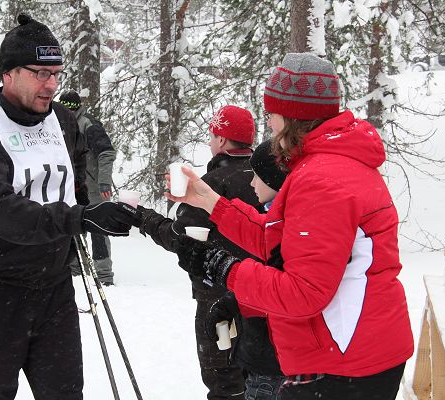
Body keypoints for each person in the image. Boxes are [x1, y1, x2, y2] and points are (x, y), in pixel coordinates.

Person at [168, 53, 414, 400]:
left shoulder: (323, 179)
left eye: (271, 114)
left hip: (344, 364)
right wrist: (211, 202)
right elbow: (281, 240)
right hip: (355, 353)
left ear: (292, 117)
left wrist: (226, 270)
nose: (268, 124)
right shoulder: (331, 164)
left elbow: (305, 293)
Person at [0, 14, 140, 400]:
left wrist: (102, 210)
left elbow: (76, 182)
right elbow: (3, 213)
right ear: (8, 73)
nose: (51, 84)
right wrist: (81, 218)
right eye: (40, 73)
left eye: (56, 73)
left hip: (53, 289)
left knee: (65, 392)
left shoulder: (64, 121)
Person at [135, 105, 261, 400]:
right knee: (257, 378)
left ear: (221, 139)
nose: (209, 142)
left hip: (218, 294)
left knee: (224, 382)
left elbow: (181, 238)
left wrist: (144, 219)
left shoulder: (213, 183)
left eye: (212, 135)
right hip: (262, 294)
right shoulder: (263, 176)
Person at [205, 140, 287, 400]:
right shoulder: (275, 220)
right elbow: (268, 276)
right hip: (265, 357)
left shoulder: (288, 226)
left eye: (257, 177)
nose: (251, 184)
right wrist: (233, 303)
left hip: (274, 364)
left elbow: (283, 289)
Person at [60, 90, 117, 285]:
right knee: (73, 225)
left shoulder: (88, 125)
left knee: (98, 228)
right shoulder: (57, 123)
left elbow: (106, 152)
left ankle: (104, 274)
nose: (67, 112)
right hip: (70, 186)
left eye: (71, 108)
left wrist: (104, 181)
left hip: (92, 185)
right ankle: (75, 268)